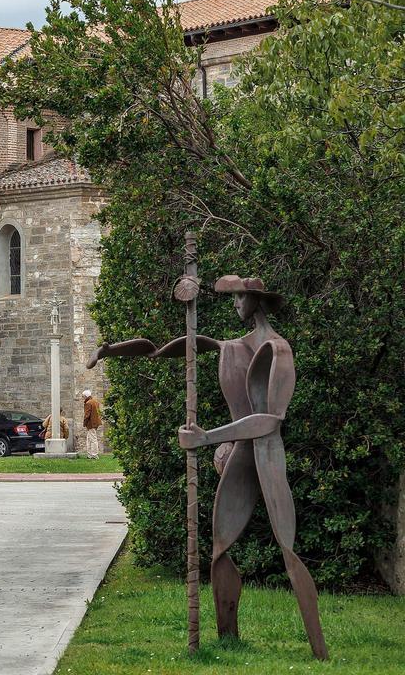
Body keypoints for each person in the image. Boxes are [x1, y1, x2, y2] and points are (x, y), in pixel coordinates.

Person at [87, 275, 327, 660]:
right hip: (241, 457)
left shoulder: (278, 349)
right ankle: (228, 639)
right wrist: (111, 351)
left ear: (255, 300)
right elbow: (172, 349)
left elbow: (271, 419)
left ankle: (319, 649)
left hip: (266, 454)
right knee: (220, 549)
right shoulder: (235, 346)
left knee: (287, 548)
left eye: (238, 298)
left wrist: (207, 437)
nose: (234, 305)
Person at [82, 389, 103, 458]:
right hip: (95, 422)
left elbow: (87, 415)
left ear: (86, 396)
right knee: (89, 438)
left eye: (83, 396)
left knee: (92, 439)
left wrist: (84, 423)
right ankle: (90, 454)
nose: (83, 398)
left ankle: (94, 454)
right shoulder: (95, 402)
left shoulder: (88, 403)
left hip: (91, 423)